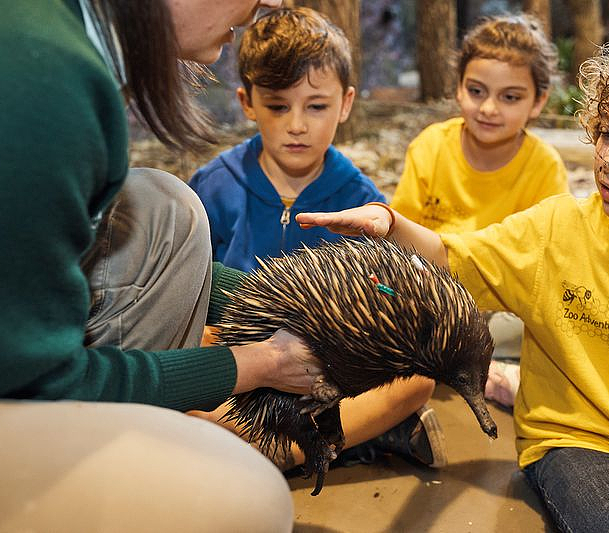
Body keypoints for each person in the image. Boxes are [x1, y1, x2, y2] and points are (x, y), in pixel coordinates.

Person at [298, 20, 609, 532]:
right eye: (607, 133)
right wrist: (391, 223)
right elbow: (458, 258)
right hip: (577, 443)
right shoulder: (557, 229)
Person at [0, 1, 319, 531]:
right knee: (249, 501)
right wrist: (258, 364)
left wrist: (282, 302)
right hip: (8, 386)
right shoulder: (42, 84)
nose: (266, 5)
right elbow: (38, 380)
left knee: (162, 207)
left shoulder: (52, 33)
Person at [188, 7, 445, 473]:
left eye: (317, 106)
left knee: (418, 379)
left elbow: (386, 304)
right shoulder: (212, 186)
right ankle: (358, 436)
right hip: (243, 359)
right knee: (190, 351)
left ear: (346, 103)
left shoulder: (362, 202)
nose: (298, 125)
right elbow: (189, 292)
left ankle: (292, 448)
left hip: (326, 367)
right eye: (278, 105)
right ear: (248, 102)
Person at [389, 14, 569, 409]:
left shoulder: (544, 166)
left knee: (544, 325)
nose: (488, 108)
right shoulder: (431, 145)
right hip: (430, 295)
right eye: (476, 90)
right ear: (458, 88)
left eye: (510, 97)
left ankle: (469, 366)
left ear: (538, 101)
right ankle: (472, 367)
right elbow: (401, 237)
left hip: (500, 307)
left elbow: (542, 265)